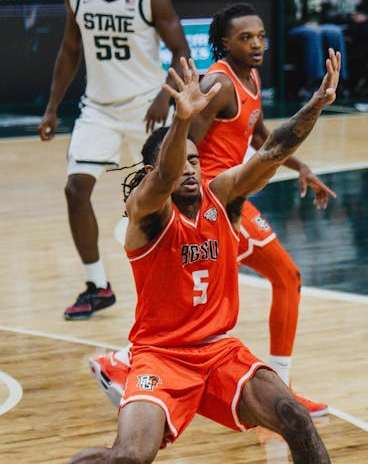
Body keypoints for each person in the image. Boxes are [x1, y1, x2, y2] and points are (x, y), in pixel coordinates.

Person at [69, 55, 335, 462]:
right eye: (181, 163)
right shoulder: (148, 212)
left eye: (196, 160)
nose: (191, 170)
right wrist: (180, 120)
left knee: (294, 416)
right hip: (162, 355)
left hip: (219, 352)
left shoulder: (222, 197)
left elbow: (272, 153)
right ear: (155, 171)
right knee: (128, 457)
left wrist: (314, 105)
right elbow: (163, 175)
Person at [38, 0, 191, 320]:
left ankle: (184, 275)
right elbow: (69, 52)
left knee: (171, 194)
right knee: (75, 191)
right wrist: (53, 107)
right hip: (99, 109)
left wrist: (165, 95)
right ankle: (97, 285)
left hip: (147, 106)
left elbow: (180, 50)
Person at [277, 0, 349, 93]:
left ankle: (339, 79)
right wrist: (305, 24)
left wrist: (314, 21)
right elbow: (278, 16)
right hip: (288, 30)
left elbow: (315, 8)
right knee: (312, 33)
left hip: (307, 26)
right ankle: (314, 81)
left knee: (334, 31)